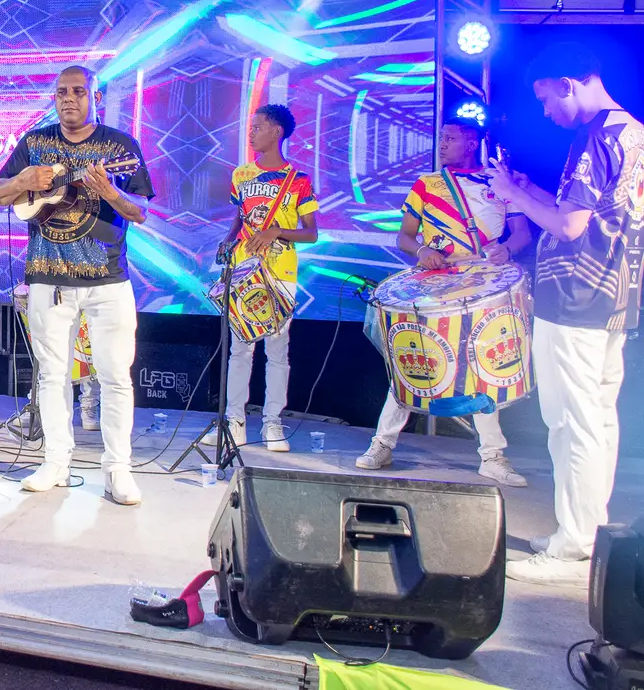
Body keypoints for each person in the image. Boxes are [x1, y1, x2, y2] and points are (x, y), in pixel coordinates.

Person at [486, 43, 644, 585]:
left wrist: (511, 193)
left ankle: (573, 544)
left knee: (572, 424)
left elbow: (570, 227)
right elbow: (592, 215)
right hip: (612, 298)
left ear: (568, 84)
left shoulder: (595, 137)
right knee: (597, 420)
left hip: (575, 298)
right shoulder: (632, 132)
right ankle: (584, 531)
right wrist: (528, 190)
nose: (546, 111)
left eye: (547, 99)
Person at [0, 66, 153, 505]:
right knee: (52, 375)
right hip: (47, 276)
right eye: (61, 92)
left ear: (95, 97)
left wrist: (112, 193)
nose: (69, 99)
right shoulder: (35, 143)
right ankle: (55, 462)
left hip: (107, 277)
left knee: (115, 375)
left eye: (79, 91)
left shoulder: (120, 147)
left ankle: (118, 469)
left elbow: (140, 212)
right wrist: (23, 181)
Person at [356, 116, 532, 485]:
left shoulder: (498, 183)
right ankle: (382, 444)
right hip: (436, 285)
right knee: (414, 359)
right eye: (441, 138)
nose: (442, 145)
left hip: (483, 284)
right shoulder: (427, 184)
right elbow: (405, 237)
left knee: (483, 365)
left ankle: (492, 456)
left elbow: (522, 234)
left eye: (450, 138)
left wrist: (506, 250)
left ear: (472, 143)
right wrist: (422, 251)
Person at [208, 104, 318, 452]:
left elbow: (311, 232)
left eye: (258, 127)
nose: (251, 132)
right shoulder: (242, 174)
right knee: (240, 349)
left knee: (277, 350)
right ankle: (234, 422)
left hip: (280, 272)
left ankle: (272, 422)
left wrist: (276, 232)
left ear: (277, 132)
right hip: (244, 271)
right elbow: (239, 217)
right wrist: (228, 241)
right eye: (251, 127)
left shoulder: (298, 179)